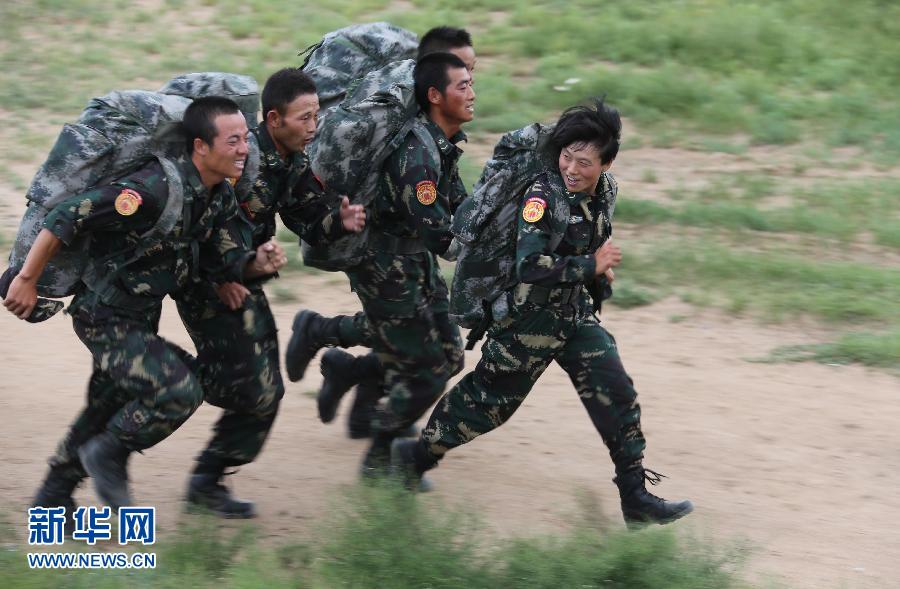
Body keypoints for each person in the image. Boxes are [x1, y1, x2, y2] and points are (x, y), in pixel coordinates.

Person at [392, 100, 694, 526]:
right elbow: (529, 266)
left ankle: (635, 497)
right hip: (526, 324)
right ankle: (416, 457)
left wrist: (596, 276)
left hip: (573, 316)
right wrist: (591, 266)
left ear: (606, 164)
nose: (572, 168)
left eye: (584, 162)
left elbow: (587, 243)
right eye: (567, 156)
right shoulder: (542, 195)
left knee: (616, 393)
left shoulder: (605, 192)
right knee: (486, 405)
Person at [4, 97, 287, 512]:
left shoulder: (217, 195)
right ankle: (110, 453)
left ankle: (52, 497)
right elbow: (68, 215)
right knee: (177, 390)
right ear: (201, 146)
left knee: (109, 402)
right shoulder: (152, 190)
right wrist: (27, 279)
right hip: (104, 315)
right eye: (233, 141)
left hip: (139, 316)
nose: (245, 149)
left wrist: (254, 264)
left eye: (246, 138)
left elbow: (222, 255)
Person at [174, 69, 365, 518]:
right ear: (275, 119)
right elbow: (203, 224)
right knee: (253, 388)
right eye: (305, 117)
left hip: (243, 278)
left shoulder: (290, 161)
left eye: (317, 115)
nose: (314, 126)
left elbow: (305, 216)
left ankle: (207, 477)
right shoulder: (243, 161)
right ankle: (159, 403)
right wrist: (223, 275)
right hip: (211, 284)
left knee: (263, 390)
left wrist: (338, 221)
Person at [286, 26, 476, 440]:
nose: (472, 83)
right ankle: (385, 455)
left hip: (410, 249)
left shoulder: (433, 128)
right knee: (425, 360)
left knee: (445, 353)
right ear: (432, 79)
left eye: (471, 71)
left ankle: (352, 378)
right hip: (382, 253)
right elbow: (441, 232)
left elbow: (453, 196)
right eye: (462, 73)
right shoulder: (410, 141)